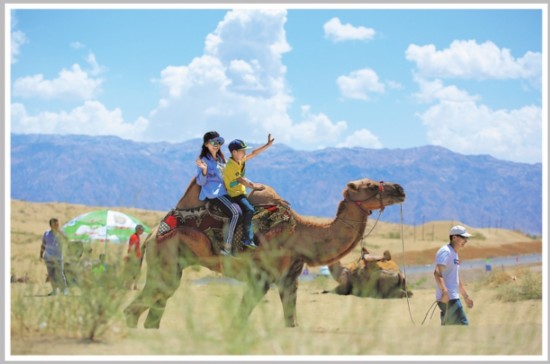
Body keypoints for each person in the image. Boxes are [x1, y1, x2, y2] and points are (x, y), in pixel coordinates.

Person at [223, 134, 275, 250]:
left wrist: (267, 145)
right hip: (235, 195)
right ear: (234, 152)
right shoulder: (231, 166)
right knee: (249, 210)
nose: (245, 153)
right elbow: (241, 180)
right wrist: (254, 186)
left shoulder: (239, 161)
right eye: (242, 151)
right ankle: (247, 239)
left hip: (242, 193)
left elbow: (254, 153)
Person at [196, 131, 242, 257]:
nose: (217, 145)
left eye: (219, 142)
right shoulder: (203, 160)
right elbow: (200, 181)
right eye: (213, 142)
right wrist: (204, 170)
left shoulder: (222, 159)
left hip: (225, 191)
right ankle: (227, 248)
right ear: (206, 144)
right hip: (214, 193)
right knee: (236, 213)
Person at [433, 225, 475, 325]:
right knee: (463, 326)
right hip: (449, 298)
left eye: (466, 238)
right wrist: (445, 291)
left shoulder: (454, 253)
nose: (466, 240)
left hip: (452, 297)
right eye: (463, 237)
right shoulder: (445, 251)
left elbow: (455, 277)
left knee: (449, 332)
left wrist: (465, 296)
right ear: (454, 237)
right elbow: (437, 272)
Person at [40, 218, 69, 296]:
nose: (57, 226)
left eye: (58, 224)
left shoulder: (61, 233)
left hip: (58, 258)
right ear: (51, 225)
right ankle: (54, 290)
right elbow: (43, 244)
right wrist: (41, 254)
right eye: (55, 224)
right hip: (48, 257)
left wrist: (61, 234)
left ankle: (64, 290)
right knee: (51, 274)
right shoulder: (46, 234)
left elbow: (67, 240)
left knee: (60, 274)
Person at [126, 224, 144, 289]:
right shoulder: (134, 237)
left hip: (136, 257)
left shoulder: (137, 236)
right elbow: (132, 247)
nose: (142, 231)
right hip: (134, 257)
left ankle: (134, 286)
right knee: (132, 272)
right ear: (138, 230)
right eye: (142, 230)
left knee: (136, 272)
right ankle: (129, 285)